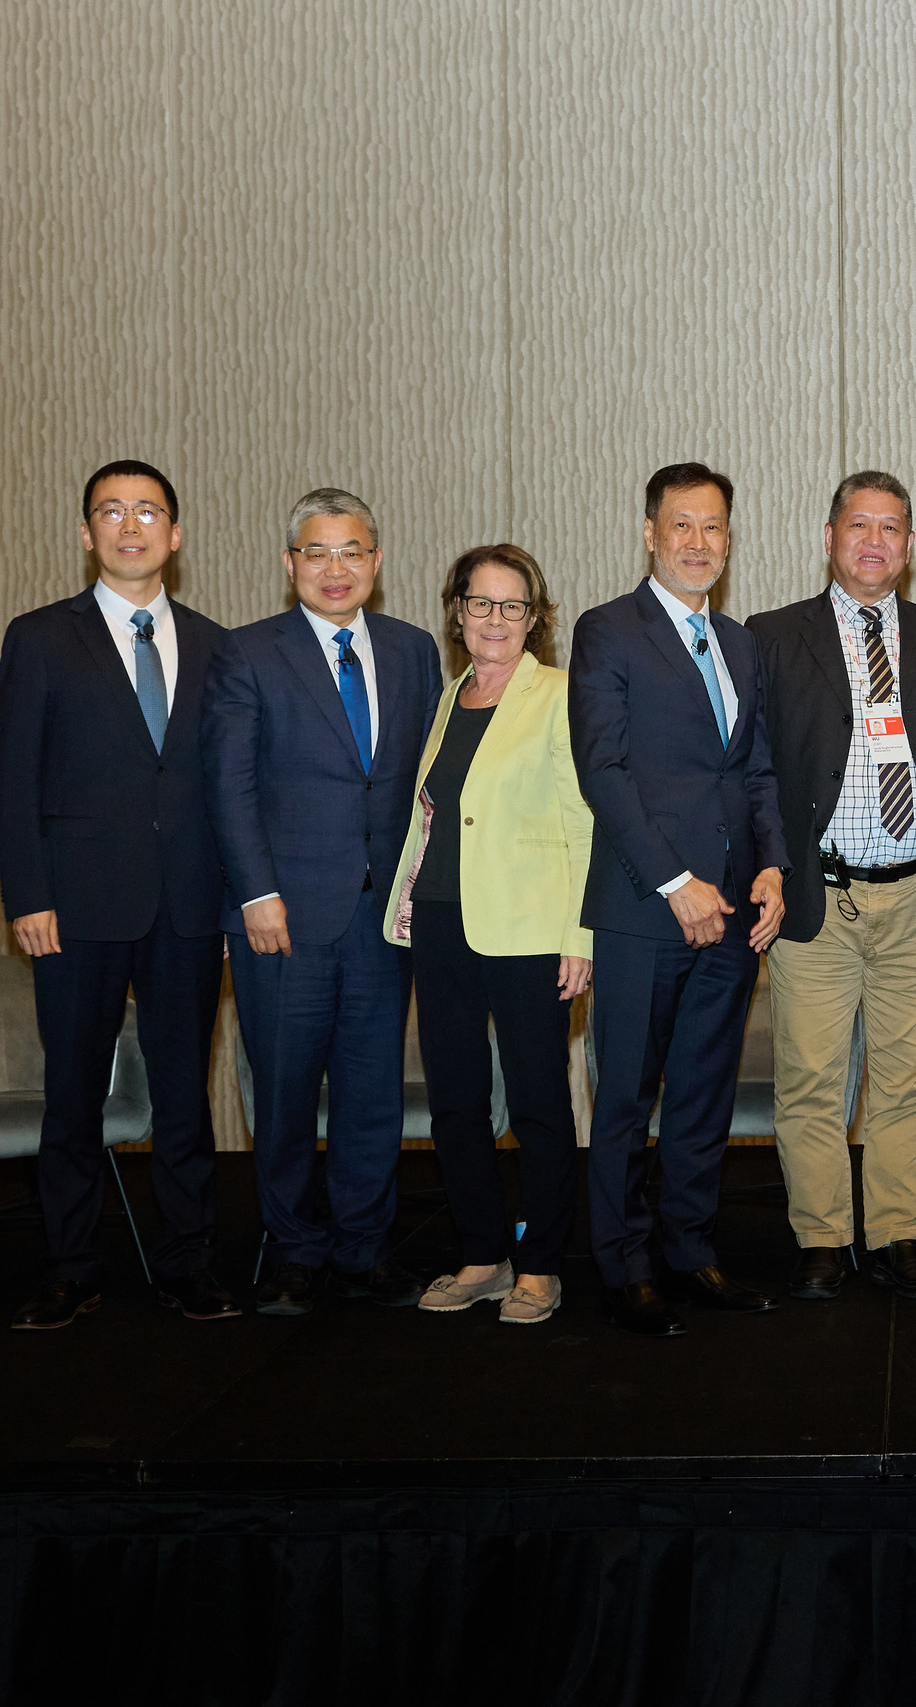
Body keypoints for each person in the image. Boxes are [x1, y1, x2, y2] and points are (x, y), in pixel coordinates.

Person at [0, 459, 232, 1330]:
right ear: (87, 532)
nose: (131, 527)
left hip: (189, 905)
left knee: (184, 1096)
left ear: (177, 533)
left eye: (149, 511)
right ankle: (70, 1268)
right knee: (74, 1094)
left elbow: (229, 787)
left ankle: (188, 1263)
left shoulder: (217, 644)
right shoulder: (40, 637)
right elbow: (15, 782)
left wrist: (238, 899)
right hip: (76, 906)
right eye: (112, 512)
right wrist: (27, 895)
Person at [746, 472, 916, 1302]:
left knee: (912, 1079)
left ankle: (896, 1234)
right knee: (811, 1080)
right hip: (817, 897)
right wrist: (768, 864)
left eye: (890, 528)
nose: (874, 541)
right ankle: (821, 1238)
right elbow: (754, 768)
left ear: (910, 545)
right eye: (859, 525)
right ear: (829, 537)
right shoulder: (773, 636)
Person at [204, 487, 444, 1315]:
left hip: (383, 919)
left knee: (373, 1095)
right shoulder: (247, 653)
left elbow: (426, 782)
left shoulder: (414, 650)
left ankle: (363, 1249)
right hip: (283, 919)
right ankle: (295, 1251)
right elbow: (229, 787)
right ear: (290, 563)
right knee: (285, 1094)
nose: (335, 568)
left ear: (376, 561)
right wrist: (256, 893)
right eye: (317, 552)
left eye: (351, 551)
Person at [570, 462, 789, 1338]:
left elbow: (757, 770)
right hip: (644, 909)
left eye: (714, 526)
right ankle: (625, 1268)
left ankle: (691, 1251)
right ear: (650, 534)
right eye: (682, 525)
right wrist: (675, 883)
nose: (699, 542)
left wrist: (772, 869)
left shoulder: (739, 642)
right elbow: (603, 769)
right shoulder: (607, 631)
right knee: (626, 1095)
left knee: (702, 1094)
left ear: (729, 538)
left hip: (732, 913)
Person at [384, 545, 593, 1325]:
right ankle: (482, 1253)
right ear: (457, 612)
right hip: (441, 922)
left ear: (534, 619)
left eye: (512, 605)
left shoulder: (560, 695)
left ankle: (540, 1263)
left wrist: (580, 935)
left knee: (538, 1101)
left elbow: (584, 822)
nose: (495, 619)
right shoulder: (449, 697)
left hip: (532, 930)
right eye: (481, 603)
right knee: (455, 1099)